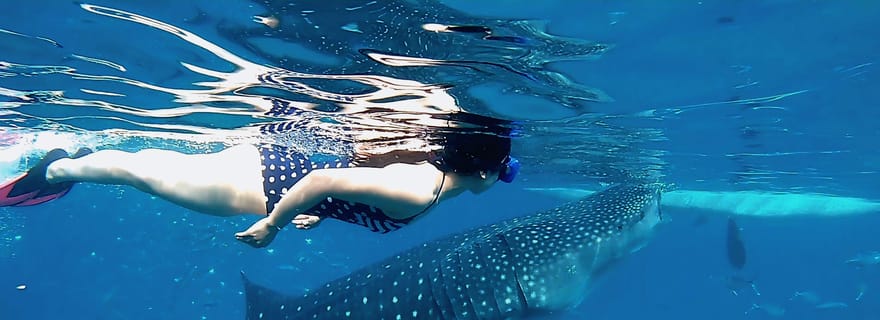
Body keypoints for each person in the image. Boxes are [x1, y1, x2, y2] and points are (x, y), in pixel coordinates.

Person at [0, 113, 520, 248]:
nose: (503, 177)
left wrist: (322, 208)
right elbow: (319, 177)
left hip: (266, 170)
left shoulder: (425, 179)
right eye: (503, 169)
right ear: (481, 170)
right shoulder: (419, 189)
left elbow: (340, 185)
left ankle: (72, 158)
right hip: (258, 188)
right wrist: (274, 224)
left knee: (153, 166)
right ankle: (54, 167)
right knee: (139, 173)